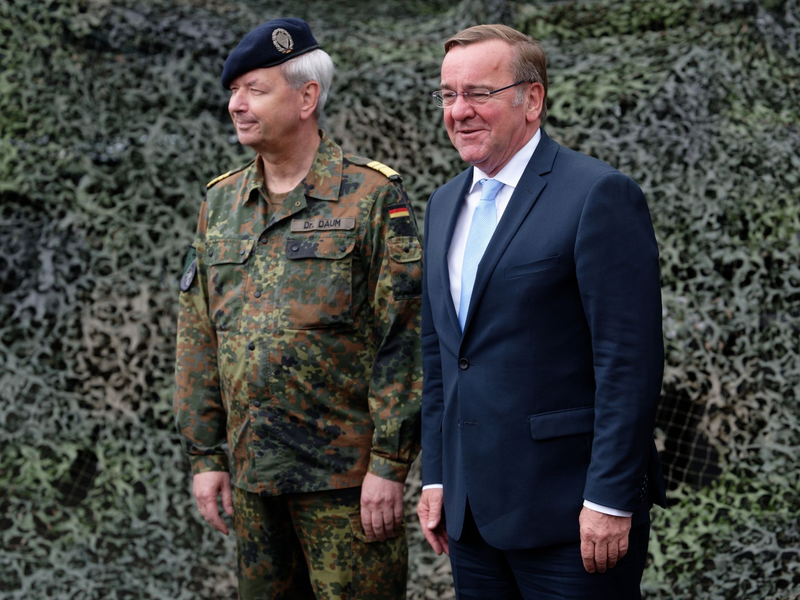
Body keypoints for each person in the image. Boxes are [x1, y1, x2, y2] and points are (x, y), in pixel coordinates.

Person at [174, 18, 423, 600]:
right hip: (254, 478)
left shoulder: (371, 196)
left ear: (307, 96)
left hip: (345, 484)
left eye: (254, 89)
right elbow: (199, 334)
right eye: (232, 91)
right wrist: (205, 454)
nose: (236, 104)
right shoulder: (220, 202)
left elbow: (403, 336)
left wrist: (389, 463)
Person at [416, 24, 666, 599]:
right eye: (448, 95)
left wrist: (608, 497)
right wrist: (436, 475)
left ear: (532, 100)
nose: (459, 111)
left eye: (479, 93)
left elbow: (628, 365)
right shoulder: (443, 203)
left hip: (573, 519)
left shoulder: (598, 194)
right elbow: (441, 359)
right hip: (471, 519)